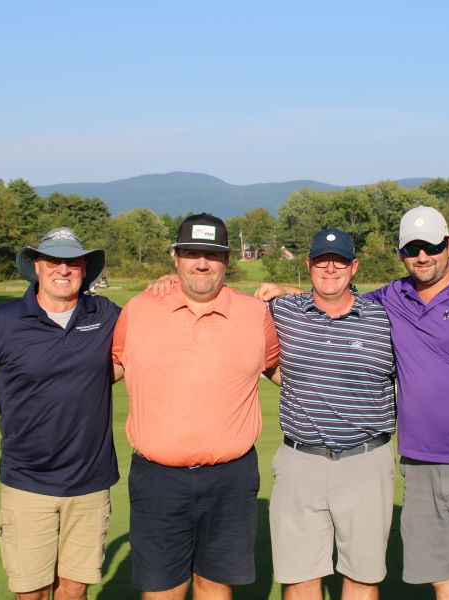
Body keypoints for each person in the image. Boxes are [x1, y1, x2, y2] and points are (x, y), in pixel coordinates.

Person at [257, 206, 449, 600]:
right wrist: (283, 291)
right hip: (418, 464)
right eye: (412, 249)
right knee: (443, 579)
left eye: (431, 247)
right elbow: (331, 299)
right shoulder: (393, 298)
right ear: (401, 253)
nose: (422, 256)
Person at [0, 227, 121, 600]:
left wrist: (168, 285)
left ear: (84, 269)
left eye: (72, 262)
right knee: (31, 593)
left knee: (75, 591)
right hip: (28, 481)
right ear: (36, 266)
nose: (63, 269)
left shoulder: (105, 314)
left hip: (90, 482)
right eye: (53, 260)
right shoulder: (1, 322)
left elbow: (142, 342)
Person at [112, 213, 280, 600]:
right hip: (157, 478)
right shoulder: (139, 310)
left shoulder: (255, 314)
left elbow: (279, 370)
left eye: (212, 254)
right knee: (162, 589)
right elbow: (108, 369)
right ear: (176, 257)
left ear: (226, 260)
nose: (201, 264)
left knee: (214, 585)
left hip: (231, 478)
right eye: (191, 253)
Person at [266, 228, 397, 600]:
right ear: (309, 265)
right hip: (300, 460)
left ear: (354, 267)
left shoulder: (383, 318)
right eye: (322, 261)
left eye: (339, 261)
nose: (330, 269)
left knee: (362, 577)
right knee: (300, 578)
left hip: (366, 460)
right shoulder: (282, 310)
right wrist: (170, 282)